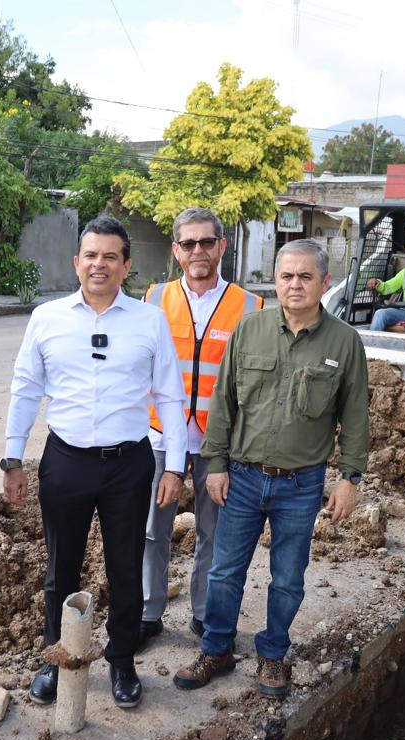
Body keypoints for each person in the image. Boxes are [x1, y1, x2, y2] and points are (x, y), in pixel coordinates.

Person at [2, 216, 187, 710]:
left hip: (130, 465)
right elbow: (25, 390)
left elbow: (170, 394)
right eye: (90, 255)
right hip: (66, 462)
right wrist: (12, 457)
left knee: (126, 566)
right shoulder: (47, 318)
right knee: (60, 570)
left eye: (110, 256)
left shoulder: (149, 321)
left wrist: (175, 466)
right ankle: (55, 659)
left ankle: (122, 661)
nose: (99, 264)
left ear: (126, 265)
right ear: (76, 262)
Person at [174, 239, 370, 698]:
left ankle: (273, 655)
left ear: (325, 282)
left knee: (287, 577)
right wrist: (215, 464)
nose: (295, 285)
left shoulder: (344, 342)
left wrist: (349, 478)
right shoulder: (251, 330)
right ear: (275, 281)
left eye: (305, 277)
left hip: (301, 486)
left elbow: (356, 416)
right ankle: (217, 648)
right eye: (286, 276)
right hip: (241, 478)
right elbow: (222, 403)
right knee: (224, 571)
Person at [138, 208, 263, 649]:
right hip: (159, 438)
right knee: (152, 530)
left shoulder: (250, 307)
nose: (197, 251)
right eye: (188, 243)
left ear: (221, 246)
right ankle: (148, 611)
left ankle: (205, 613)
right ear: (176, 250)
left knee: (216, 532)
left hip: (218, 444)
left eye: (206, 242)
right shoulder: (152, 299)